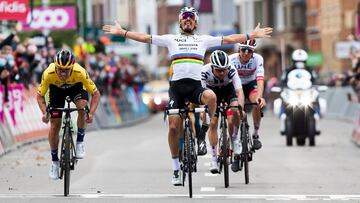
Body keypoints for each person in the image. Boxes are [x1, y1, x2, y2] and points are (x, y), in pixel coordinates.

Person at [103, 6, 272, 186]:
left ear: (196, 23)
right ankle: (176, 167)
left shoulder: (203, 40)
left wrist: (250, 36)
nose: (188, 20)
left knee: (212, 98)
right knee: (174, 127)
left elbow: (230, 39)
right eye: (185, 18)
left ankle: (203, 133)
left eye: (191, 18)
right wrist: (123, 32)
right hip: (177, 88)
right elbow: (145, 38)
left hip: (195, 87)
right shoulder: (171, 39)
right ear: (180, 22)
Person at [36, 49, 101, 180]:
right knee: (54, 125)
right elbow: (39, 96)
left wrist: (92, 113)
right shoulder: (48, 73)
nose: (63, 73)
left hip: (76, 87)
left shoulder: (80, 72)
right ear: (55, 66)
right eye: (60, 69)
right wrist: (44, 113)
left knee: (82, 107)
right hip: (56, 90)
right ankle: (55, 161)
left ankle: (80, 142)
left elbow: (96, 94)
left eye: (66, 70)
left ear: (72, 67)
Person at [201, 50, 245, 173]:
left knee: (235, 110)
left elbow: (239, 92)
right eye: (218, 70)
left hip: (227, 91)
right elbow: (201, 95)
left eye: (224, 70)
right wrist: (203, 112)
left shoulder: (231, 70)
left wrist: (240, 108)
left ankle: (235, 139)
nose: (222, 72)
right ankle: (214, 158)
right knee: (213, 123)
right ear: (212, 67)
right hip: (211, 93)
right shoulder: (204, 71)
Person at [229, 39, 266, 152]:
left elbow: (260, 79)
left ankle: (255, 134)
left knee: (257, 103)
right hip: (235, 85)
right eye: (243, 50)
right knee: (234, 112)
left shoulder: (258, 59)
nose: (246, 53)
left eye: (249, 51)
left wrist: (260, 96)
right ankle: (234, 137)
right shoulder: (231, 59)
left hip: (250, 84)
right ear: (239, 49)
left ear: (253, 52)